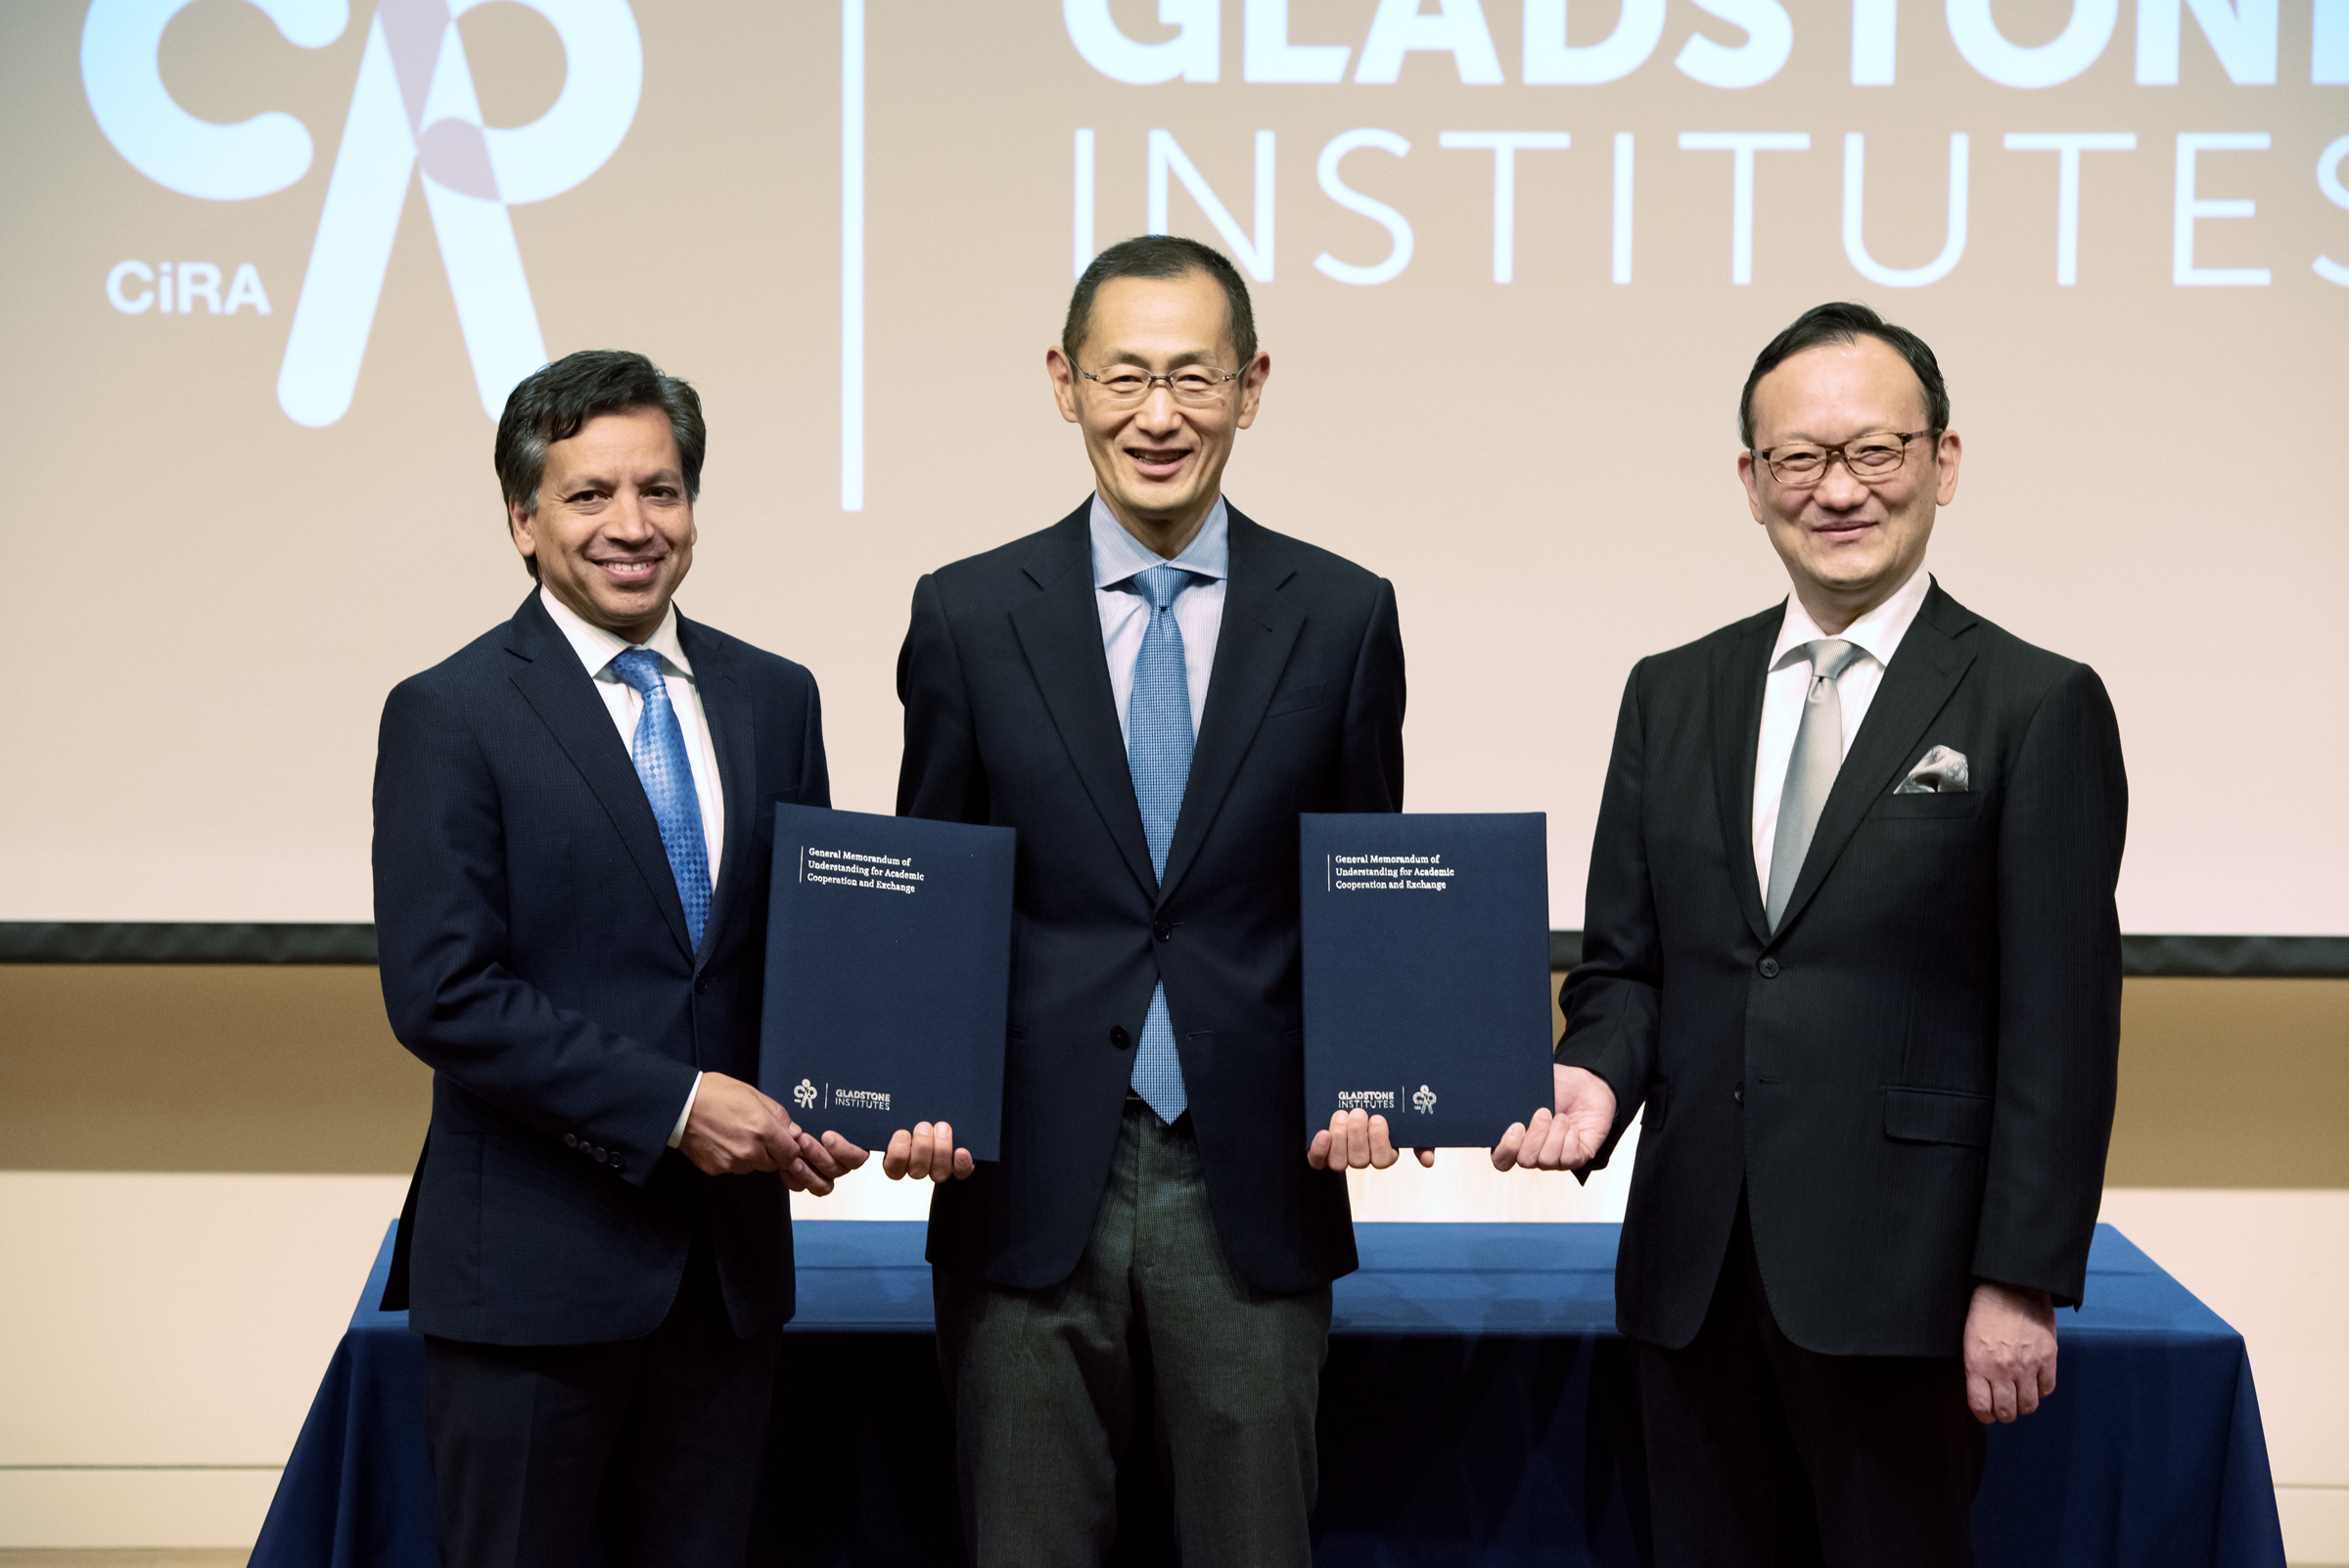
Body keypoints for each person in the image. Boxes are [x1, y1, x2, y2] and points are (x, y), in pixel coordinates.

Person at [1497, 301, 2128, 1563]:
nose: (1837, 490)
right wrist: (1594, 1074)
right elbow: (1628, 968)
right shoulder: (1672, 692)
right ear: (1751, 481)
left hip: (1908, 1282)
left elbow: (2061, 1024)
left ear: (1943, 463)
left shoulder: (2034, 704)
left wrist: (2019, 1280)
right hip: (1693, 1276)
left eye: (1874, 453)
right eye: (1800, 459)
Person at [886, 234, 1414, 1566]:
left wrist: (1384, 1078)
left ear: (1253, 385)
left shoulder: (1346, 614)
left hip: (1253, 1183)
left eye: (1195, 376)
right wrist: (904, 1083)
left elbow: (1369, 889)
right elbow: (931, 897)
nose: (1159, 415)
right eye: (1126, 376)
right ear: (1065, 383)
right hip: (1023, 1187)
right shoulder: (963, 614)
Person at [372, 349, 861, 1568]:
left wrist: (844, 1095)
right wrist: (680, 1106)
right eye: (591, 496)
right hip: (531, 1281)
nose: (633, 527)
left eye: (663, 490)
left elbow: (808, 958)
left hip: (726, 1279)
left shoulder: (775, 697)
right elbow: (444, 992)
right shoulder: (452, 711)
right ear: (523, 520)